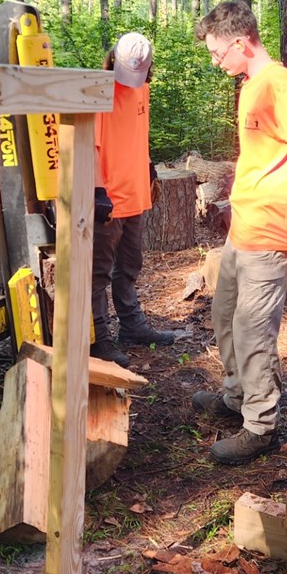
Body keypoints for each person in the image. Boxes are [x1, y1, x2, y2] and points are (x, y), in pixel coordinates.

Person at [190, 0, 287, 464]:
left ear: (241, 43)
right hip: (242, 228)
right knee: (224, 316)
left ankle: (260, 425)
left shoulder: (278, 83)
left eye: (217, 53)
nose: (215, 61)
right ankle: (236, 396)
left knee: (252, 331)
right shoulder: (249, 83)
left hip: (270, 233)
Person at [91, 32, 175, 367]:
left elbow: (137, 136)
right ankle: (99, 337)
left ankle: (132, 325)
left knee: (129, 266)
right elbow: (91, 146)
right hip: (108, 200)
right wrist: (98, 192)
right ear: (113, 59)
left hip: (136, 195)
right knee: (97, 273)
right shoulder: (99, 92)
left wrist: (149, 167)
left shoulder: (142, 89)